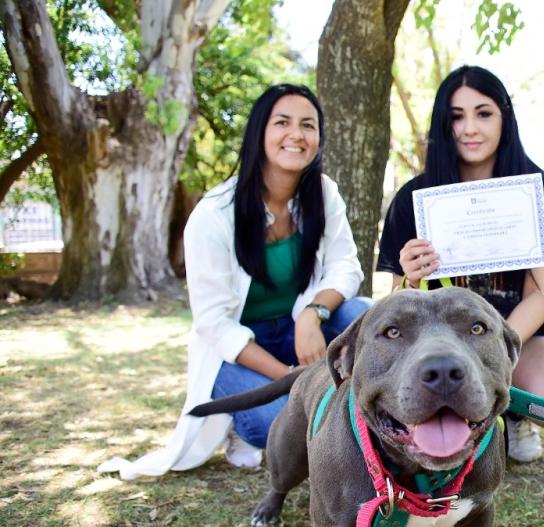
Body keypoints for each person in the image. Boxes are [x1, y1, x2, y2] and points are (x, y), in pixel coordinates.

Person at [100, 83, 370, 480]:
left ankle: (370, 419)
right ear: (259, 132)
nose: (296, 134)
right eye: (283, 122)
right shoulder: (214, 214)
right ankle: (237, 422)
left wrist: (312, 315)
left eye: (308, 125)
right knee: (275, 423)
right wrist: (287, 377)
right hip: (239, 348)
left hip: (299, 328)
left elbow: (346, 266)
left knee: (363, 315)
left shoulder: (324, 194)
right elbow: (213, 323)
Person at [377, 65, 544, 462]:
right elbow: (395, 308)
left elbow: (541, 294)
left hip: (518, 336)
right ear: (443, 124)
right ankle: (440, 425)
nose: (470, 128)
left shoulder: (540, 193)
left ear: (504, 117)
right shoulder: (414, 198)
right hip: (434, 340)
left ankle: (508, 411)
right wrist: (409, 278)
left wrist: (489, 353)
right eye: (456, 116)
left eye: (483, 113)